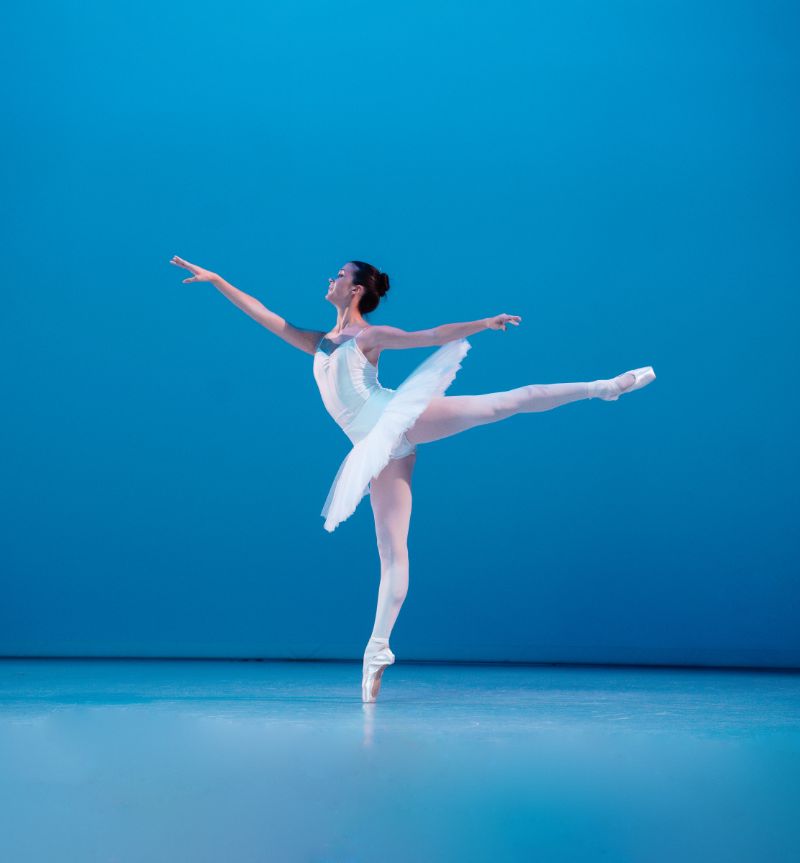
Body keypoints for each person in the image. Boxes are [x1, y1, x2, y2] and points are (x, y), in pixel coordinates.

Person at [170, 255, 656, 702]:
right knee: (392, 552)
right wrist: (218, 282)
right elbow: (265, 315)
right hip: (375, 450)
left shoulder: (367, 337)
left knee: (504, 402)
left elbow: (429, 335)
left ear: (356, 290)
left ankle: (604, 387)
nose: (331, 279)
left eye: (339, 275)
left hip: (393, 419)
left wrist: (483, 324)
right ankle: (377, 650)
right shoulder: (319, 342)